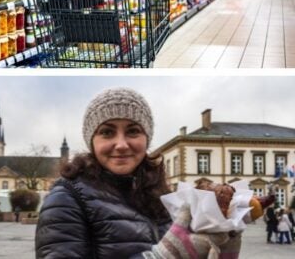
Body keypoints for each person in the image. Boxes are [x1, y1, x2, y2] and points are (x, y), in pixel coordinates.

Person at [35, 88, 239, 258]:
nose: (122, 144)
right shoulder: (67, 198)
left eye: (133, 131)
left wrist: (224, 244)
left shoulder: (157, 194)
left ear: (146, 138)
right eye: (107, 132)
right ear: (92, 140)